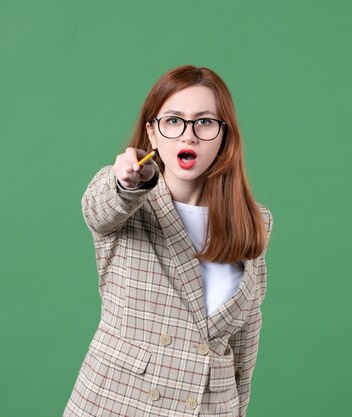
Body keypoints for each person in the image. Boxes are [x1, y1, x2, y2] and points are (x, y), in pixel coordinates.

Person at [63, 65, 273, 417]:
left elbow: (245, 337)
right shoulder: (127, 200)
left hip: (210, 407)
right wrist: (127, 184)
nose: (188, 136)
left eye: (205, 122)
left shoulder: (253, 218)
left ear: (224, 135)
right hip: (120, 403)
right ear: (153, 133)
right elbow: (99, 209)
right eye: (174, 121)